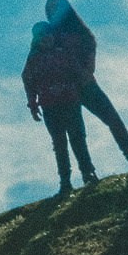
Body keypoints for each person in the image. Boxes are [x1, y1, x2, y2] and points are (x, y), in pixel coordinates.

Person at [44, 0, 128, 171]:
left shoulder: (76, 31)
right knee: (77, 135)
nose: (54, 11)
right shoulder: (51, 35)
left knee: (112, 120)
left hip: (84, 84)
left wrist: (86, 70)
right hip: (68, 90)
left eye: (57, 6)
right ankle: (88, 173)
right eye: (51, 8)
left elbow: (90, 47)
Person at [22, 20, 96, 194]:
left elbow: (78, 72)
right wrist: (33, 104)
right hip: (50, 106)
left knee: (78, 138)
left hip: (70, 101)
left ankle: (88, 173)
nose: (46, 39)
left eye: (48, 34)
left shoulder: (64, 54)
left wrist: (85, 83)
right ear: (36, 40)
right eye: (41, 37)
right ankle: (65, 182)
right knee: (59, 143)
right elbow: (28, 81)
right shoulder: (34, 60)